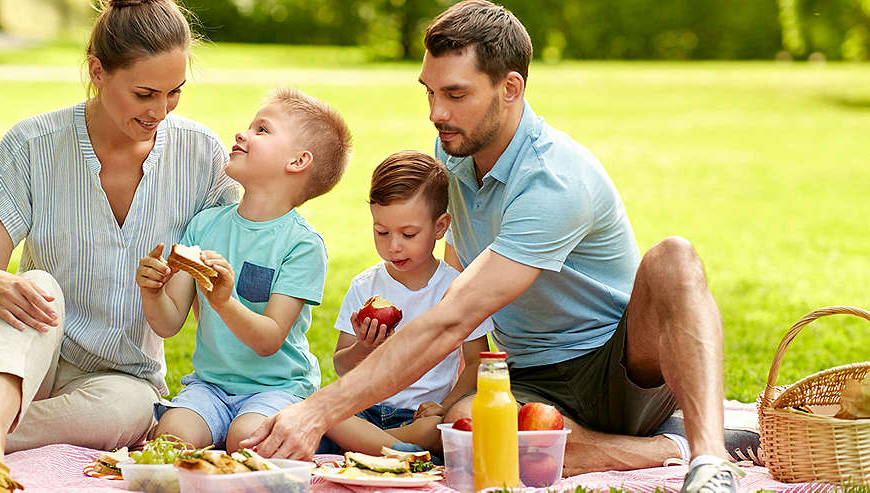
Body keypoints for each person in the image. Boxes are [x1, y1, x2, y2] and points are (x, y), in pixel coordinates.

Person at [242, 2, 748, 492]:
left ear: (510, 88)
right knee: (463, 430)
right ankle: (663, 448)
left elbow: (456, 316)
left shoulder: (553, 180)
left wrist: (316, 410)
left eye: (456, 94)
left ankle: (710, 460)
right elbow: (461, 261)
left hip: (617, 366)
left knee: (674, 256)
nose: (437, 113)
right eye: (430, 92)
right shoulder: (456, 146)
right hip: (527, 373)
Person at [0, 1, 239, 492]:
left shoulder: (201, 155)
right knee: (37, 284)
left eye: (174, 93)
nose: (159, 112)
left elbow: (202, 292)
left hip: (120, 378)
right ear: (97, 71)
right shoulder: (32, 145)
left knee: (132, 410)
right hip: (18, 352)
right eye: (145, 93)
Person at [135, 87, 352, 453]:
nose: (242, 134)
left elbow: (268, 340)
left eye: (262, 130)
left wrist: (223, 302)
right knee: (172, 438)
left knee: (247, 441)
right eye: (250, 126)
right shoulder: (204, 226)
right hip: (210, 387)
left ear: (298, 161)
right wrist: (152, 291)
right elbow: (168, 324)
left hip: (277, 389)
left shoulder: (302, 245)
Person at [320, 150, 492, 455]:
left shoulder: (456, 288)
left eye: (408, 234)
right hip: (364, 413)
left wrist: (444, 405)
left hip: (418, 417)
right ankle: (398, 451)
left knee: (441, 428)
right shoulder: (365, 286)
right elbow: (341, 366)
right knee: (321, 406)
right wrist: (364, 347)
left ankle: (377, 449)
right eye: (381, 232)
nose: (393, 246)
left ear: (441, 227)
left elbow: (478, 362)